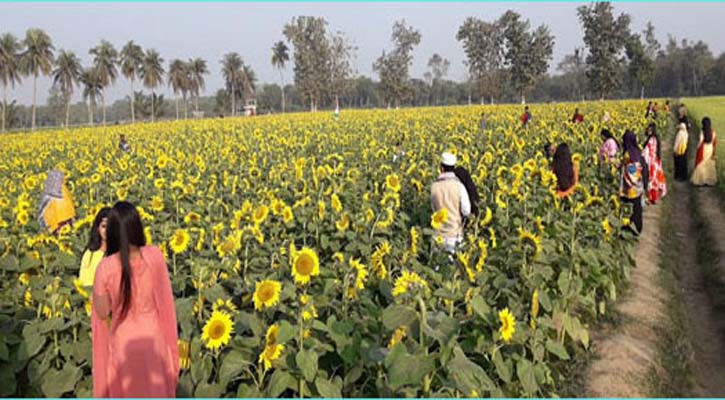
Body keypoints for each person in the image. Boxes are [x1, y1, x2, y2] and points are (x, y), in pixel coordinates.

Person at [92, 201, 179, 397]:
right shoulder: (154, 255)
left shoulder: (105, 268)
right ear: (137, 227)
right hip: (153, 339)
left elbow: (102, 312)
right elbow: (165, 298)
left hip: (124, 343)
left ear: (112, 232)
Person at [431, 152, 471, 253]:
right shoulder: (459, 186)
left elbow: (433, 208)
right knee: (452, 266)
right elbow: (466, 211)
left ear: (441, 168)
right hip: (454, 234)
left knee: (437, 265)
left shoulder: (434, 187)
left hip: (438, 234)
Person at [79, 207, 111, 287]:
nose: (107, 230)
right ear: (98, 228)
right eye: (104, 226)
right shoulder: (90, 254)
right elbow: (84, 282)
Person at [620, 130, 644, 235]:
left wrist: (622, 168)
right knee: (636, 206)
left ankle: (629, 228)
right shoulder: (636, 151)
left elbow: (630, 167)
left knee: (628, 207)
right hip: (637, 184)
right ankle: (638, 227)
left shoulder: (628, 153)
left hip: (629, 185)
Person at [37, 169, 76, 233]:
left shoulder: (50, 191)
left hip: (57, 226)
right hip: (64, 223)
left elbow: (42, 212)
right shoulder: (63, 190)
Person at [642, 122, 667, 204]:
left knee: (651, 179)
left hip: (651, 161)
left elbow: (648, 151)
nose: (648, 131)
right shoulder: (656, 138)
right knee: (654, 180)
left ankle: (651, 197)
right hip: (655, 161)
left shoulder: (651, 140)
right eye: (648, 129)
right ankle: (654, 198)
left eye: (650, 130)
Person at [692, 117, 718, 186]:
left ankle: (700, 180)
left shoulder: (702, 132)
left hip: (704, 148)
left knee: (702, 164)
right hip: (710, 148)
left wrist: (697, 148)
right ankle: (709, 180)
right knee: (709, 164)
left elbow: (700, 141)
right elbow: (714, 141)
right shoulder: (713, 132)